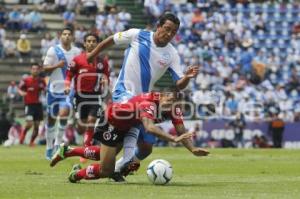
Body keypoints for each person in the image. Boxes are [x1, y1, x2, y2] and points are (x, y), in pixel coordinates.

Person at [85, 12, 200, 179]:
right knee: (117, 141)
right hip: (124, 93)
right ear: (158, 26)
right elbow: (111, 40)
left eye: (173, 32)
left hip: (145, 100)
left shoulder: (172, 54)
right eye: (166, 29)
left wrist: (187, 78)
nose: (168, 34)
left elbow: (178, 84)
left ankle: (117, 167)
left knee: (146, 147)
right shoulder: (137, 35)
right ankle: (103, 162)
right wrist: (92, 54)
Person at [50, 92, 209, 183]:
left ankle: (68, 151)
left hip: (128, 125)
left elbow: (181, 129)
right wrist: (173, 139)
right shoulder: (149, 104)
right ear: (161, 97)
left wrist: (193, 149)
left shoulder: (175, 109)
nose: (171, 105)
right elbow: (149, 127)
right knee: (106, 170)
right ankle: (75, 175)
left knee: (103, 155)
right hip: (111, 121)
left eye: (175, 103)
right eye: (169, 100)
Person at [64, 33, 109, 151]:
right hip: (80, 96)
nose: (91, 43)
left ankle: (86, 148)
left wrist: (105, 81)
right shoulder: (77, 60)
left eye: (94, 41)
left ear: (98, 43)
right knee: (81, 127)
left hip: (95, 96)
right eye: (88, 41)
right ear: (84, 44)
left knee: (91, 121)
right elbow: (69, 76)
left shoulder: (102, 62)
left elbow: (106, 77)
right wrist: (67, 86)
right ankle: (77, 129)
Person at [43, 27, 81, 160]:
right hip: (53, 90)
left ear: (73, 37)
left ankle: (58, 145)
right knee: (51, 119)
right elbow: (45, 68)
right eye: (64, 34)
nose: (66, 36)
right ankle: (49, 146)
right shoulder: (53, 50)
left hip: (67, 91)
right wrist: (57, 66)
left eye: (69, 34)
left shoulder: (77, 51)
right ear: (60, 36)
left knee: (64, 114)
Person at [18, 64, 46, 146]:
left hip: (38, 105)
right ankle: (22, 136)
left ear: (39, 70)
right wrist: (22, 93)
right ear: (31, 70)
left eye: (37, 69)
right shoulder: (26, 80)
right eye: (33, 69)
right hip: (29, 105)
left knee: (37, 126)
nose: (35, 70)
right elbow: (19, 88)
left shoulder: (41, 81)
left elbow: (45, 89)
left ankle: (31, 142)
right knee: (29, 123)